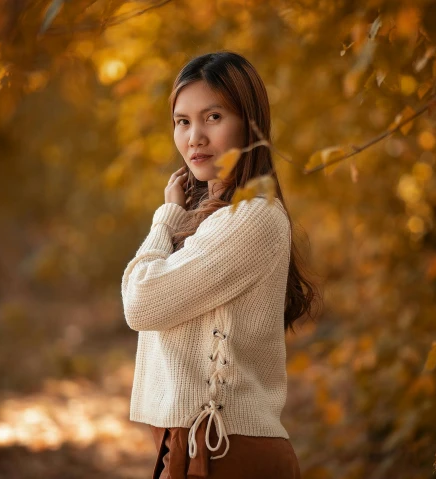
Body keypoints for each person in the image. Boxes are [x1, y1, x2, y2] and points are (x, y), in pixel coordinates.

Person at [121, 50, 321, 479]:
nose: (195, 137)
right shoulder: (206, 220)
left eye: (213, 117)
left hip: (227, 449)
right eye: (183, 121)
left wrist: (165, 217)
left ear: (250, 123)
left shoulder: (253, 218)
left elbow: (141, 303)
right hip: (188, 445)